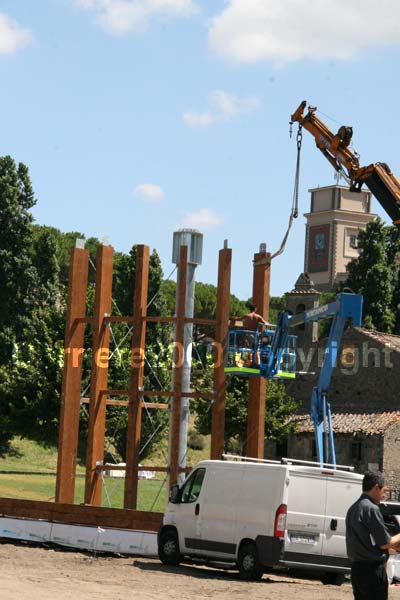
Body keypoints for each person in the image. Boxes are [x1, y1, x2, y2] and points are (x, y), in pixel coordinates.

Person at [346, 471, 400, 600]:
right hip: (372, 572)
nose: (384, 495)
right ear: (376, 488)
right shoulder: (371, 508)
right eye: (384, 491)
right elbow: (385, 542)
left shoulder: (353, 508)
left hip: (357, 570)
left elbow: (371, 542)